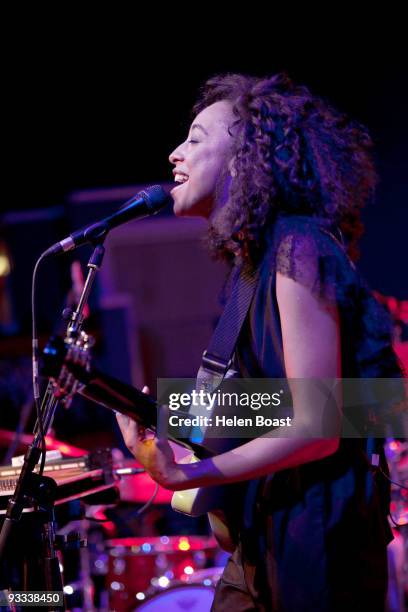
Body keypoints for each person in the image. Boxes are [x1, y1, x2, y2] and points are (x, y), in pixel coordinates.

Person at [116, 73, 404, 611]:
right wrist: (174, 437)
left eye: (196, 139)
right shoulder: (252, 270)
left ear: (245, 159)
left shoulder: (299, 248)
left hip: (316, 548)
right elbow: (272, 409)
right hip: (263, 543)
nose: (175, 153)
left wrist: (192, 470)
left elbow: (318, 426)